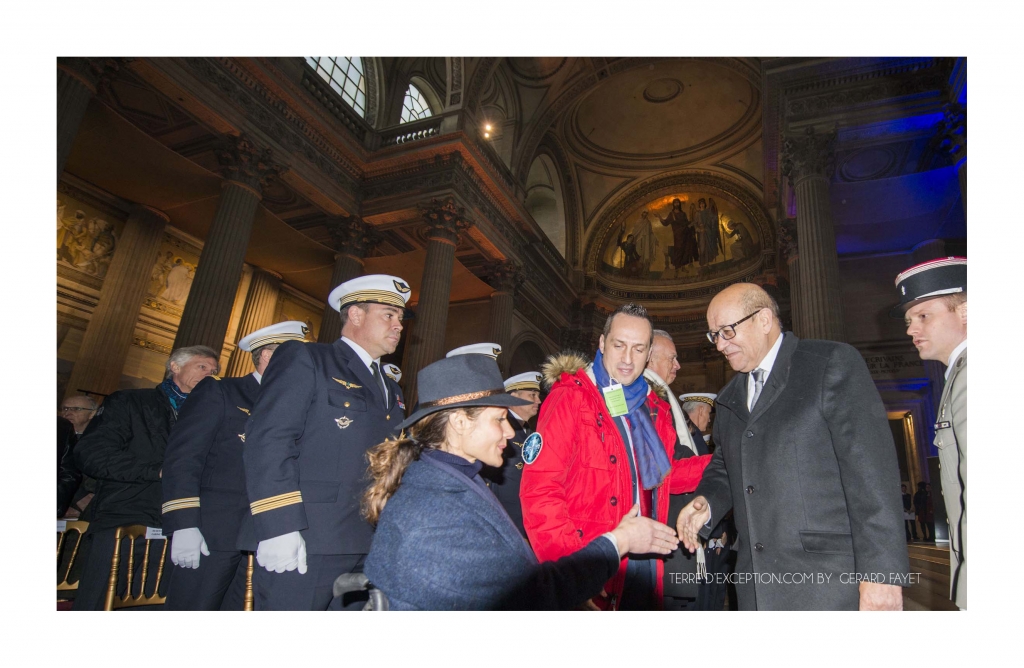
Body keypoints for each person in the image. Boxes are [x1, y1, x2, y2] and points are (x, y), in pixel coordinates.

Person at [362, 354, 680, 609]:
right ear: (459, 422)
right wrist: (619, 541)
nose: (510, 431)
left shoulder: (448, 479)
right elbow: (531, 595)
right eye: (499, 419)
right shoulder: (434, 513)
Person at [676, 283, 909, 610]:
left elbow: (871, 474)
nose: (719, 346)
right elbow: (726, 468)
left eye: (727, 331)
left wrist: (883, 574)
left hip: (830, 584)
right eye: (714, 335)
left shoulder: (828, 364)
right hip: (757, 584)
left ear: (764, 320)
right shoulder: (729, 398)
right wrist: (707, 502)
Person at [520, 303, 712, 610]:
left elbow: (662, 476)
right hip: (596, 563)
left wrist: (723, 462)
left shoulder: (653, 409)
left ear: (649, 354)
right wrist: (575, 577)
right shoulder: (570, 398)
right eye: (618, 345)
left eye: (638, 349)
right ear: (601, 343)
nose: (626, 359)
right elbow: (540, 495)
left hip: (646, 563)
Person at [242, 274, 410, 610]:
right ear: (356, 315)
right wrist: (279, 526)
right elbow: (270, 439)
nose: (398, 326)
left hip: (366, 539)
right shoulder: (308, 359)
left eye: (401, 318)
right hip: (308, 536)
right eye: (388, 315)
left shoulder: (391, 388)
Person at [161, 322, 308, 610]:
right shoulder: (223, 392)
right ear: (266, 356)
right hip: (213, 532)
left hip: (267, 534)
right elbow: (184, 458)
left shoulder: (297, 404)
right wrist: (183, 524)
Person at [71, 345, 220, 610]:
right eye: (203, 367)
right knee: (98, 601)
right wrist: (157, 470)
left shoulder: (208, 415)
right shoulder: (130, 401)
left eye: (214, 371)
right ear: (174, 366)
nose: (211, 375)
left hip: (178, 526)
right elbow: (92, 453)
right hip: (124, 518)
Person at [893, 256, 967, 609]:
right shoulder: (958, 375)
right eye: (909, 320)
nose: (911, 329)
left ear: (966, 312)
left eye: (924, 316)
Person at [480, 371, 543, 537]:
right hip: (505, 517)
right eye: (532, 395)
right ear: (514, 396)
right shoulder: (501, 428)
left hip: (523, 516)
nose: (538, 400)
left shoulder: (529, 431)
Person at [58, 395, 97, 518]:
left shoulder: (100, 441)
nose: (68, 413)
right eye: (65, 409)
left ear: (92, 414)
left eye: (76, 409)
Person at [657, 198, 699, 271]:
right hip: (678, 235)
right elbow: (665, 223)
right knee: (678, 250)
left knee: (685, 250)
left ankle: (683, 267)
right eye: (675, 203)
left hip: (685, 234)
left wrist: (692, 223)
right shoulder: (671, 214)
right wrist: (659, 217)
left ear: (679, 204)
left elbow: (686, 223)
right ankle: (677, 268)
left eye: (678, 203)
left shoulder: (683, 214)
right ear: (673, 204)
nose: (676, 204)